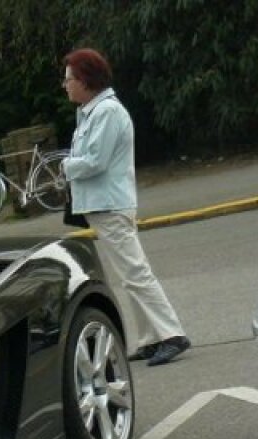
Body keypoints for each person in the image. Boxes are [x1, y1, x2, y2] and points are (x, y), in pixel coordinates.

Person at [61, 48, 191, 366]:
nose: (64, 85)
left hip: (111, 204)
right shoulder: (92, 112)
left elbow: (95, 161)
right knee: (129, 273)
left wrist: (66, 166)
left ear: (86, 80)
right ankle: (150, 338)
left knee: (135, 272)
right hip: (105, 203)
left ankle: (172, 335)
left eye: (68, 79)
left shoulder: (105, 112)